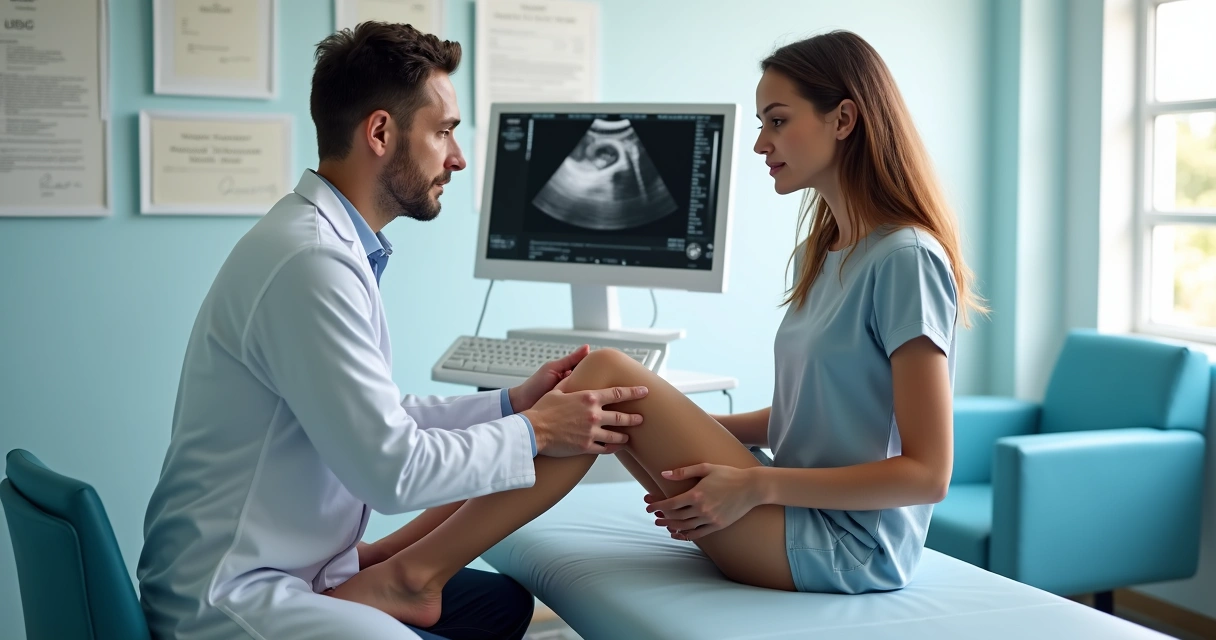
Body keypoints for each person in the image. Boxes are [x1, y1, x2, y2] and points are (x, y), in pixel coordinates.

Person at [325, 27, 987, 620]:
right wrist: (665, 424)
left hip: (846, 545)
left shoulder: (905, 259)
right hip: (791, 506)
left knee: (604, 374)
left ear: (844, 119)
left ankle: (413, 575)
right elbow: (810, 416)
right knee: (602, 395)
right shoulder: (835, 249)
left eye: (778, 122)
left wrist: (754, 481)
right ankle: (386, 556)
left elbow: (927, 473)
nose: (760, 143)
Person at [136, 22, 649, 640]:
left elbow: (382, 419)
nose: (457, 158)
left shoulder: (326, 244)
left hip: (294, 565)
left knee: (502, 606)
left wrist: (511, 404)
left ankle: (402, 579)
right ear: (380, 132)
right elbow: (390, 471)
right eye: (444, 132)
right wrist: (537, 430)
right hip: (233, 593)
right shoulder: (312, 262)